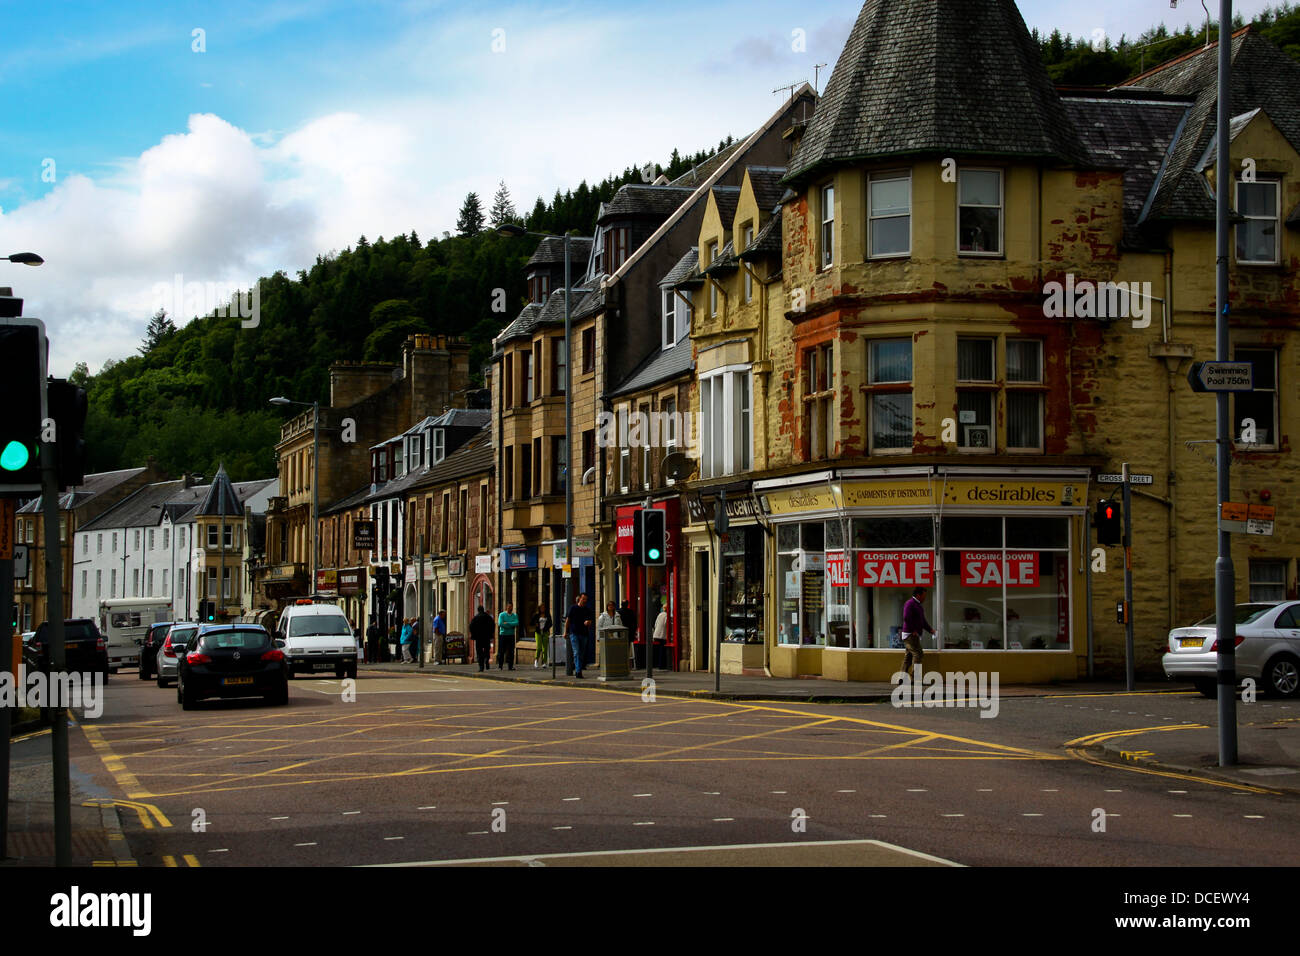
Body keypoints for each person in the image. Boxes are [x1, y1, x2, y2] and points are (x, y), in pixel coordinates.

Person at [900, 587, 936, 679]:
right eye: (924, 596)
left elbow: (922, 621)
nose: (925, 598)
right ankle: (915, 678)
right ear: (918, 595)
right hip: (910, 634)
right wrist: (913, 630)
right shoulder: (910, 603)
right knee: (918, 654)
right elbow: (906, 617)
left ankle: (901, 677)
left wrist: (930, 630)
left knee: (909, 656)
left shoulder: (918, 605)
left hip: (912, 634)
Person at [565, 593, 591, 678]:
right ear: (579, 599)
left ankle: (577, 668)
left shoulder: (587, 609)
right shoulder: (573, 608)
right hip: (574, 633)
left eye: (586, 599)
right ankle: (578, 671)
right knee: (577, 652)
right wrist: (565, 632)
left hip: (584, 634)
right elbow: (568, 620)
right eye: (583, 599)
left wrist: (588, 622)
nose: (585, 601)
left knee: (581, 653)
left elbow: (590, 621)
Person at [470, 605, 494, 671]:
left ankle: (481, 666)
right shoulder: (488, 617)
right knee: (487, 650)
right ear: (483, 609)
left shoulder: (475, 618)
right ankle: (487, 661)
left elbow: (471, 627)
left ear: (478, 610)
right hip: (487, 637)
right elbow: (492, 625)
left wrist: (473, 635)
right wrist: (491, 634)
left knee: (479, 652)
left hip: (478, 638)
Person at [496, 603, 519, 670]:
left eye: (511, 607)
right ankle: (500, 666)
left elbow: (516, 623)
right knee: (501, 651)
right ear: (506, 607)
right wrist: (511, 625)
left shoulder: (514, 615)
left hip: (511, 635)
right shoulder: (502, 615)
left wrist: (507, 623)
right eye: (509, 607)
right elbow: (500, 624)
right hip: (503, 635)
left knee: (511, 651)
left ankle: (510, 666)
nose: (510, 608)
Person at [531, 604, 550, 668]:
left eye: (544, 608)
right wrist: (536, 624)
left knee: (545, 648)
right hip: (538, 632)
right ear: (539, 608)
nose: (543, 609)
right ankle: (536, 660)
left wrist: (546, 628)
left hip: (545, 632)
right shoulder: (536, 615)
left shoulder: (547, 615)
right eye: (541, 608)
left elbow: (550, 623)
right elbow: (532, 622)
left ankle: (544, 662)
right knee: (539, 647)